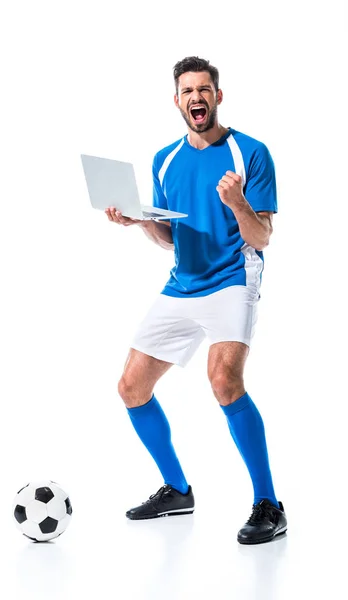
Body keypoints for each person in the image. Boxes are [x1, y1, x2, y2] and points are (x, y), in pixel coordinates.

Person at [105, 56, 287, 545]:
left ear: (218, 96)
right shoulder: (165, 158)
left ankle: (269, 502)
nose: (196, 98)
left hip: (233, 277)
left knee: (224, 380)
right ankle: (178, 490)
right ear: (177, 100)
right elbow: (171, 236)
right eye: (187, 92)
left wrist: (239, 203)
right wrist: (142, 221)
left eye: (204, 90)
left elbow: (263, 236)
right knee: (130, 388)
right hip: (184, 282)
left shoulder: (250, 152)